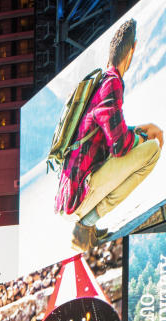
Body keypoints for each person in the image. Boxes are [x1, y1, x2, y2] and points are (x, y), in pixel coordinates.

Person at [55, 18, 163, 250]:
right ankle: (85, 227)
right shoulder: (112, 83)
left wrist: (142, 129)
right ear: (132, 49)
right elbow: (121, 146)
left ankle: (89, 228)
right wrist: (145, 136)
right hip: (78, 196)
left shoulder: (101, 82)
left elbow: (113, 133)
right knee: (152, 151)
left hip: (71, 192)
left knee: (144, 143)